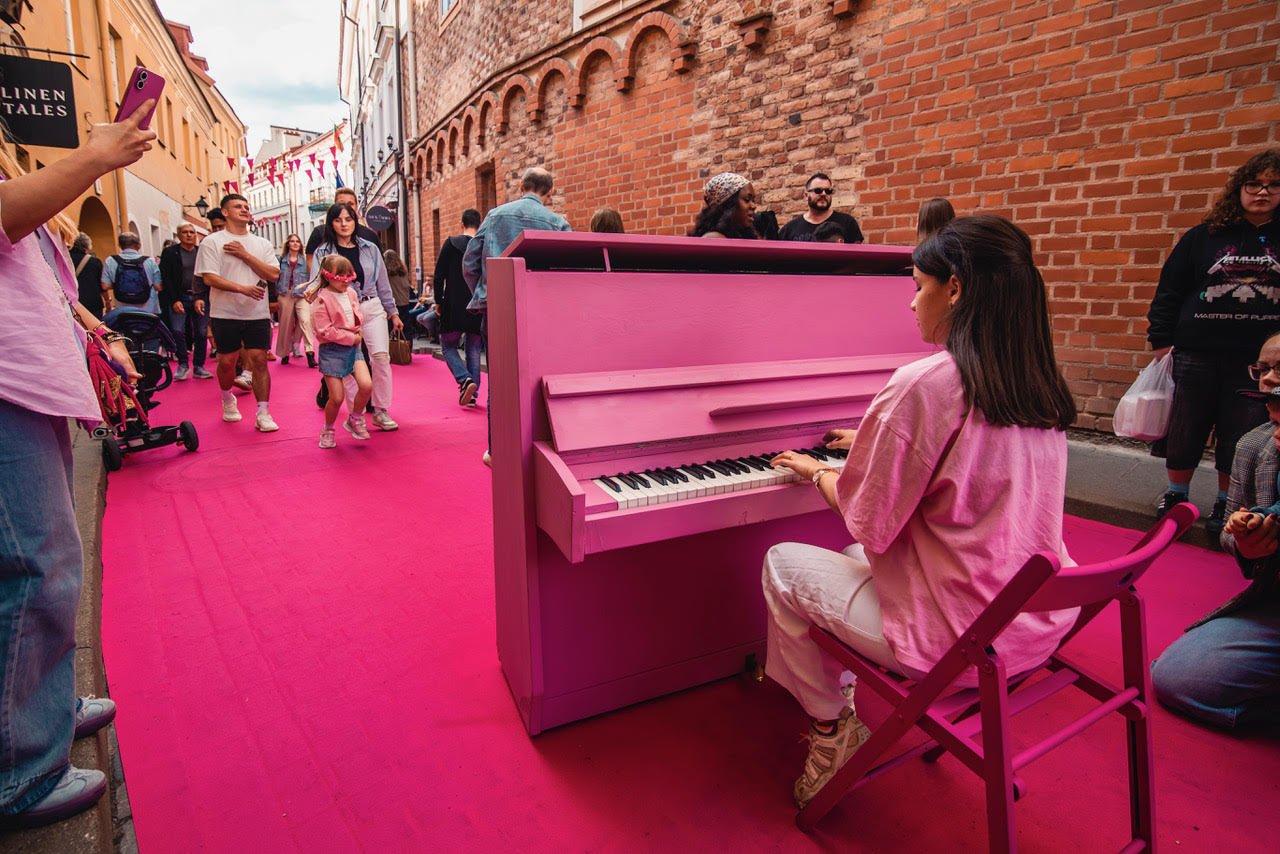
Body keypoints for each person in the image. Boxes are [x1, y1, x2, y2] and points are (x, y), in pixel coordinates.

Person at [763, 215, 1080, 808]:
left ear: (954, 288)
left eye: (917, 285)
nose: (911, 304)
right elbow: (967, 464)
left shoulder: (925, 383)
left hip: (955, 640)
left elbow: (868, 518)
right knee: (854, 561)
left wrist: (817, 471)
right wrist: (874, 439)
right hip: (1026, 626)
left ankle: (832, 729)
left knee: (781, 563)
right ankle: (830, 677)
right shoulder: (1033, 381)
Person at [0, 97, 153, 830]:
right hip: (6, 380)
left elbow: (32, 259)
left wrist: (92, 328)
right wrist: (95, 156)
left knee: (50, 559)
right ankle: (21, 769)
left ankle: (48, 706)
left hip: (26, 375)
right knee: (37, 565)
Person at [1149, 330, 1280, 731]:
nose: (1270, 379)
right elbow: (1230, 530)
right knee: (1178, 675)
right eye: (1264, 369)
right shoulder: (1255, 447)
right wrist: (1246, 538)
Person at [1146, 149, 1280, 535]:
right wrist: (1161, 340)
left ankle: (1228, 500)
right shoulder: (1204, 238)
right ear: (1239, 189)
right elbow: (1170, 289)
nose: (1261, 192)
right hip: (1196, 351)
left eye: (1272, 185)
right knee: (1185, 426)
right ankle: (1176, 495)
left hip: (1256, 362)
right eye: (1254, 184)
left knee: (1241, 432)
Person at [463, 167, 572, 464]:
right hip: (539, 310)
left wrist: (483, 292)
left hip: (497, 307)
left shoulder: (496, 215)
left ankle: (497, 450)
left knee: (499, 378)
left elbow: (470, 261)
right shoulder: (558, 222)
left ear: (522, 185)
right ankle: (537, 449)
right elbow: (568, 269)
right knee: (539, 377)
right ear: (548, 192)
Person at [194, 194, 282, 431]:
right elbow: (209, 277)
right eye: (237, 207)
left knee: (260, 360)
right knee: (227, 361)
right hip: (225, 312)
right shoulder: (212, 242)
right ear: (225, 212)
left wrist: (245, 255)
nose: (244, 210)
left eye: (246, 206)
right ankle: (227, 399)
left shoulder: (261, 244)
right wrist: (242, 289)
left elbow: (272, 274)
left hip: (257, 313)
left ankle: (263, 412)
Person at [312, 203, 402, 431]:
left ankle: (381, 410)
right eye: (338, 220)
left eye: (348, 219)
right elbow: (315, 284)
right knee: (348, 366)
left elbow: (383, 283)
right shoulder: (323, 252)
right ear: (331, 223)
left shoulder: (370, 248)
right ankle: (357, 414)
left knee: (381, 357)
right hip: (339, 312)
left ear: (355, 221)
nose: (344, 224)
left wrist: (393, 312)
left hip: (371, 307)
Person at [310, 255, 374, 448]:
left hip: (353, 349)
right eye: (341, 276)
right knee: (336, 397)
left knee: (366, 385)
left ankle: (354, 418)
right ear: (328, 277)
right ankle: (328, 429)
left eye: (349, 275)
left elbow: (357, 315)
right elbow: (324, 331)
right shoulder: (321, 301)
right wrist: (351, 337)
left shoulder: (351, 293)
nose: (346, 280)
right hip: (332, 351)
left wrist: (358, 329)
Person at [434, 208, 484, 407]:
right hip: (476, 303)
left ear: (461, 223)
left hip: (453, 303)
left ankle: (465, 379)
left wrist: (438, 301)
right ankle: (472, 395)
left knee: (448, 345)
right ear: (479, 225)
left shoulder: (450, 243)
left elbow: (439, 276)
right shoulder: (482, 246)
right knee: (473, 348)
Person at [159, 223, 211, 380]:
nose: (189, 235)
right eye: (185, 232)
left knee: (201, 332)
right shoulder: (170, 253)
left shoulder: (201, 252)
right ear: (179, 235)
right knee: (178, 330)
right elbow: (166, 278)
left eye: (192, 232)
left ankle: (199, 366)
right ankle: (182, 364)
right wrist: (174, 300)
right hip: (179, 297)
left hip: (200, 297)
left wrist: (201, 296)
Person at [778, 173, 865, 244]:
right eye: (818, 190)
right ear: (806, 195)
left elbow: (857, 260)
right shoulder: (789, 229)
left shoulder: (848, 223)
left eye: (828, 191)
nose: (824, 194)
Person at [304, 187, 379, 267]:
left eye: (350, 204)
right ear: (334, 205)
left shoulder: (370, 236)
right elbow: (311, 266)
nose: (346, 207)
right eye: (341, 203)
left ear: (356, 207)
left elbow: (379, 270)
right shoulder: (319, 232)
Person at [101, 231, 161, 312]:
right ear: (139, 245)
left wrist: (120, 284)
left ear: (120, 245)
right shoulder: (150, 261)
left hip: (122, 308)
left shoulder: (110, 260)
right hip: (147, 309)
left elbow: (105, 286)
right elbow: (158, 286)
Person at [272, 234, 309, 365]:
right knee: (285, 324)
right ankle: (284, 353)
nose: (295, 243)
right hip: (284, 293)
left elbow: (311, 278)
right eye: (292, 241)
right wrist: (275, 294)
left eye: (297, 241)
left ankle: (296, 345)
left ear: (300, 244)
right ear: (288, 244)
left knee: (302, 320)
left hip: (301, 294)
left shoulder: (305, 261)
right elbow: (273, 277)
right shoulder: (280, 260)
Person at [691, 172, 758, 239]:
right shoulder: (714, 238)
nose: (754, 206)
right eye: (747, 199)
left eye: (753, 201)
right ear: (728, 204)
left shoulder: (739, 236)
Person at [68, 232, 106, 318]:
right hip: (93, 304)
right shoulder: (95, 262)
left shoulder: (65, 260)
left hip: (73, 303)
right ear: (87, 245)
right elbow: (102, 286)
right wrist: (107, 301)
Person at [384, 248, 415, 340]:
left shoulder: (387, 273)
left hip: (393, 304)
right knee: (406, 330)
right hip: (405, 303)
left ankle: (394, 351)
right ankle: (406, 350)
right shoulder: (403, 271)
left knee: (389, 329)